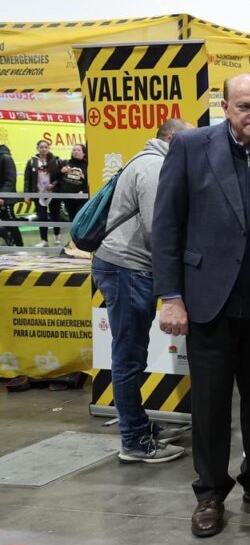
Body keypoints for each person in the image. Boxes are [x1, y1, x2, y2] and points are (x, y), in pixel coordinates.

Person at [152, 73, 250, 539]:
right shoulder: (190, 147)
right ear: (224, 107)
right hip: (208, 302)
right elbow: (166, 226)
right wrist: (171, 296)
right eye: (244, 106)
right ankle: (210, 493)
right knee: (210, 405)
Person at [92, 119, 192, 464]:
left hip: (127, 267)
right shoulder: (154, 167)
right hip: (127, 268)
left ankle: (138, 424)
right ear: (174, 138)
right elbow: (158, 229)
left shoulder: (149, 161)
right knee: (128, 356)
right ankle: (134, 440)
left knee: (131, 353)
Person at [23, 139, 62, 247]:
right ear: (37, 148)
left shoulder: (55, 161)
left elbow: (60, 177)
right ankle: (44, 240)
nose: (44, 149)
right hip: (39, 194)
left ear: (49, 148)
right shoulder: (32, 162)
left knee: (55, 216)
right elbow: (27, 179)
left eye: (46, 147)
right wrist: (27, 195)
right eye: (41, 147)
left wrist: (53, 184)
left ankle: (57, 237)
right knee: (42, 217)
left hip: (53, 193)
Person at [57, 143, 90, 232]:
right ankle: (74, 238)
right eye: (74, 150)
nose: (76, 152)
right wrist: (61, 172)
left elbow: (91, 182)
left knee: (80, 219)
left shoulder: (88, 165)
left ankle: (81, 237)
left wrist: (84, 191)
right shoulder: (66, 163)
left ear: (84, 153)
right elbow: (56, 179)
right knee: (72, 220)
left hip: (81, 199)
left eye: (78, 150)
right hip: (68, 198)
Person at [0, 140, 20, 247]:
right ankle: (6, 235)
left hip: (5, 198)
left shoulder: (5, 158)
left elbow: (10, 180)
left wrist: (2, 196)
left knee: (10, 222)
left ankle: (20, 246)